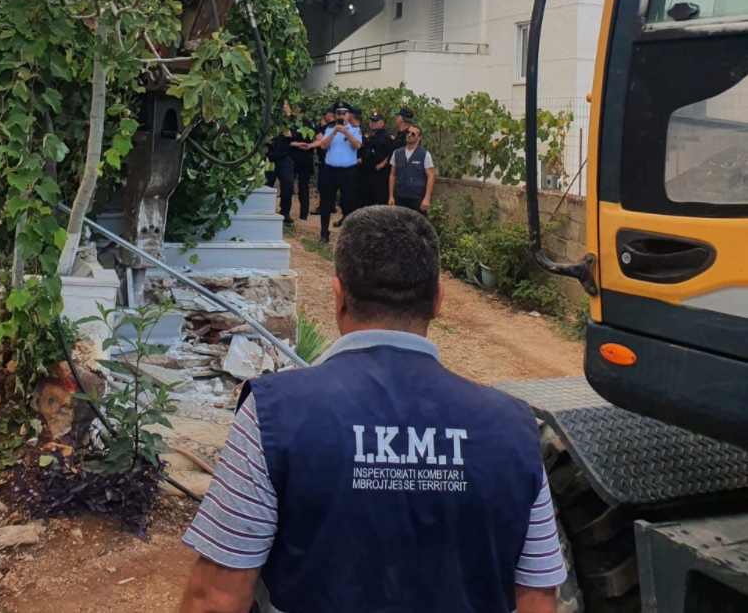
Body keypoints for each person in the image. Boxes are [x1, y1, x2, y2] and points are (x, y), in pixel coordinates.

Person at [178, 206, 566, 613]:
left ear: (338, 297)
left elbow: (214, 599)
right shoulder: (515, 428)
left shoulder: (273, 413)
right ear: (437, 301)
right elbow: (538, 601)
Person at [311, 100, 361, 243]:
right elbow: (323, 146)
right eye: (338, 113)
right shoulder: (329, 129)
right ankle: (324, 233)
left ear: (348, 115)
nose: (341, 116)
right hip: (330, 171)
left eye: (344, 113)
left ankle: (347, 236)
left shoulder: (355, 129)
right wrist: (334, 132)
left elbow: (357, 145)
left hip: (348, 172)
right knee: (326, 203)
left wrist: (346, 132)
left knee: (348, 204)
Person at [388, 124, 434, 213]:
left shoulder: (425, 154)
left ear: (419, 138)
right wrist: (391, 196)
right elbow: (392, 175)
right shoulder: (397, 153)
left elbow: (430, 177)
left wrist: (427, 198)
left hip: (416, 199)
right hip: (399, 197)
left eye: (413, 134)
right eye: (408, 132)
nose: (409, 135)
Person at [265, 101, 296, 225]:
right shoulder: (268, 116)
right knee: (266, 185)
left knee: (288, 184)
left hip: (284, 156)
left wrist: (291, 133)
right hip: (269, 157)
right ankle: (265, 210)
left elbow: (296, 133)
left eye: (285, 105)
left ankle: (285, 212)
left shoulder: (289, 120)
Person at [357, 111, 393, 207]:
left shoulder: (386, 136)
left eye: (375, 121)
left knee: (380, 201)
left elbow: (392, 153)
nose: (372, 123)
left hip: (379, 174)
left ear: (382, 123)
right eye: (371, 121)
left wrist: (382, 164)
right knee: (366, 200)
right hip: (366, 172)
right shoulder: (367, 135)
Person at [288, 102, 315, 220]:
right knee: (303, 186)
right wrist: (309, 145)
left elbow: (287, 140)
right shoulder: (311, 123)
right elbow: (319, 139)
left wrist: (299, 144)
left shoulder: (292, 123)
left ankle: (286, 212)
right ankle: (303, 214)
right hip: (305, 158)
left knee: (290, 185)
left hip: (294, 158)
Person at [308, 106, 337, 217]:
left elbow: (323, 140)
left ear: (330, 114)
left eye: (325, 114)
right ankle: (331, 206)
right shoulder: (331, 126)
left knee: (324, 186)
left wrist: (322, 126)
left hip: (326, 160)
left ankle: (324, 207)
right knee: (329, 186)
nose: (324, 116)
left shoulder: (330, 127)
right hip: (327, 160)